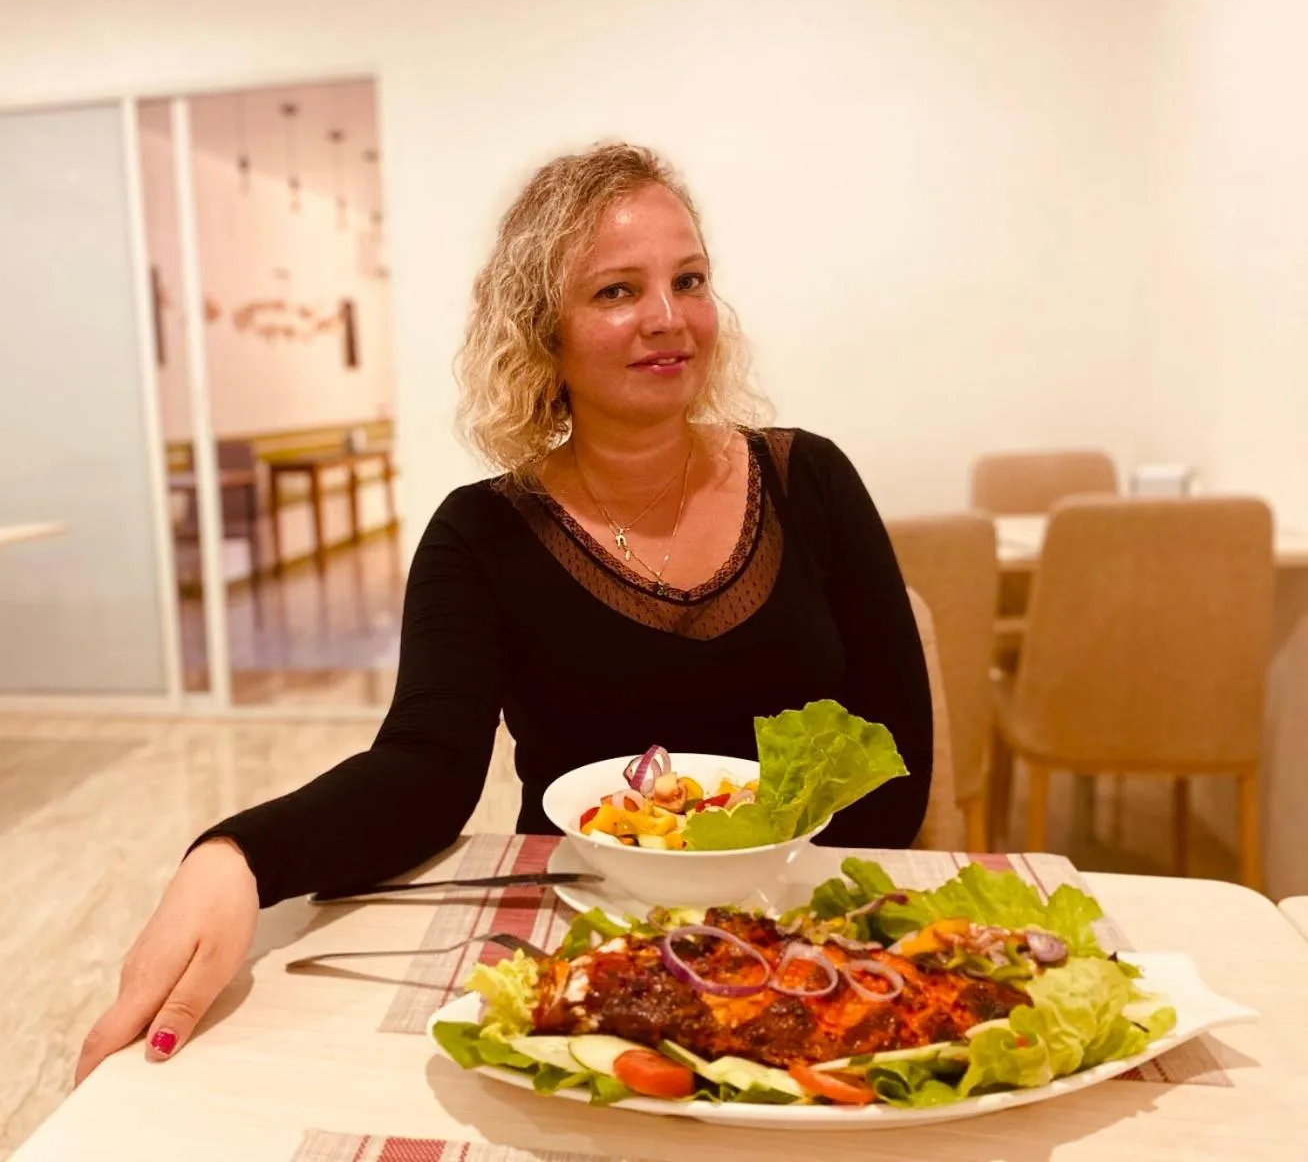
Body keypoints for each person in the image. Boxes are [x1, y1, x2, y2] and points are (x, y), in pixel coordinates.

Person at [75, 143, 932, 1084]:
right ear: (541, 332)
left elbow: (895, 758)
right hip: (587, 956)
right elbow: (426, 770)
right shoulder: (481, 534)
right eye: (616, 291)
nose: (668, 318)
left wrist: (793, 959)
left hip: (808, 950)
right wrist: (238, 855)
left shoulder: (809, 480)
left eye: (689, 280)